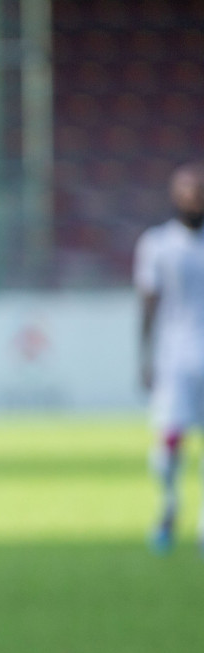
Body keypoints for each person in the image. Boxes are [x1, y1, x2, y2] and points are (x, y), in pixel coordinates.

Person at [137, 162, 204, 552]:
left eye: (199, 190)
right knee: (169, 442)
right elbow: (147, 302)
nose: (194, 197)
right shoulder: (157, 244)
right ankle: (169, 506)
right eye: (187, 190)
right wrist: (143, 356)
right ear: (174, 195)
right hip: (175, 359)